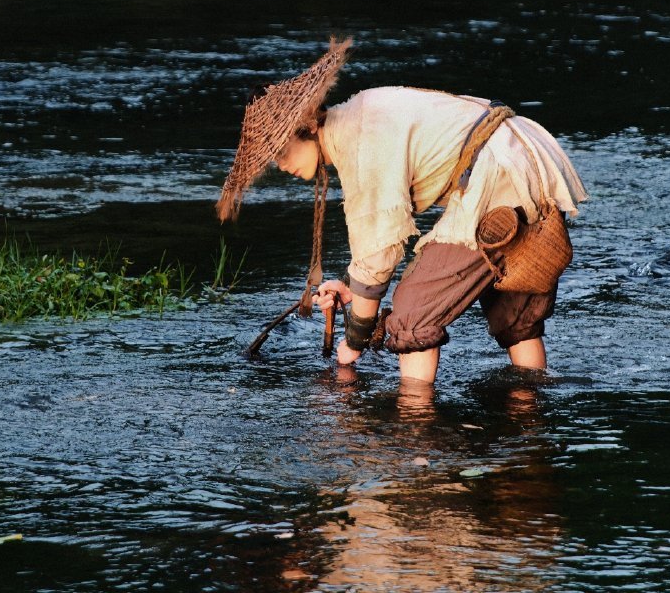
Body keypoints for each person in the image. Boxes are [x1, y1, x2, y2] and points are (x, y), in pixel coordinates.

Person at [217, 37, 588, 387]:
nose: (281, 166)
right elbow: (381, 238)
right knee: (514, 314)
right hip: (522, 156)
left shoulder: (358, 139)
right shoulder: (359, 115)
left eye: (282, 152)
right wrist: (349, 286)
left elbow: (379, 254)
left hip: (499, 175)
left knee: (413, 311)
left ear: (308, 126)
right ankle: (529, 418)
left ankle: (414, 423)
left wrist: (352, 346)